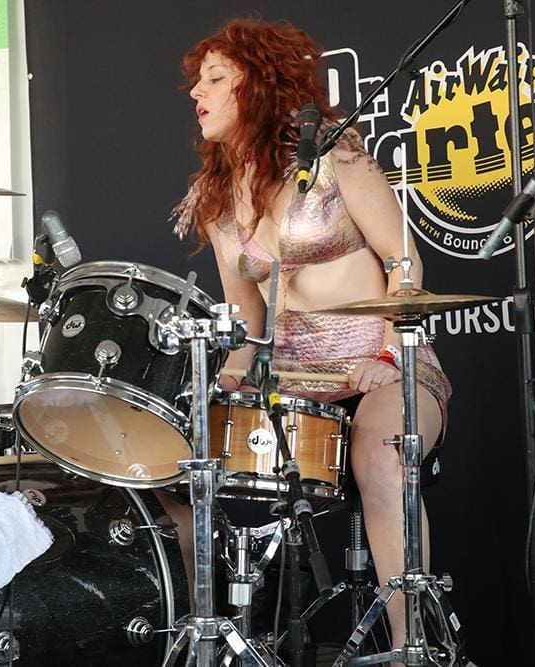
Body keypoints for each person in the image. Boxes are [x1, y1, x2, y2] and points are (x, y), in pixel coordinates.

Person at [167, 17, 453, 652]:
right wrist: (231, 374)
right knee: (180, 466)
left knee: (381, 456)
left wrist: (390, 351)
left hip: (383, 363)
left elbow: (404, 262)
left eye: (216, 78)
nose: (197, 92)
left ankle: (409, 648)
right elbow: (247, 314)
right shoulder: (216, 195)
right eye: (197, 81)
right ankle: (211, 638)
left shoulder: (335, 156)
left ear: (259, 84)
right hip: (295, 380)